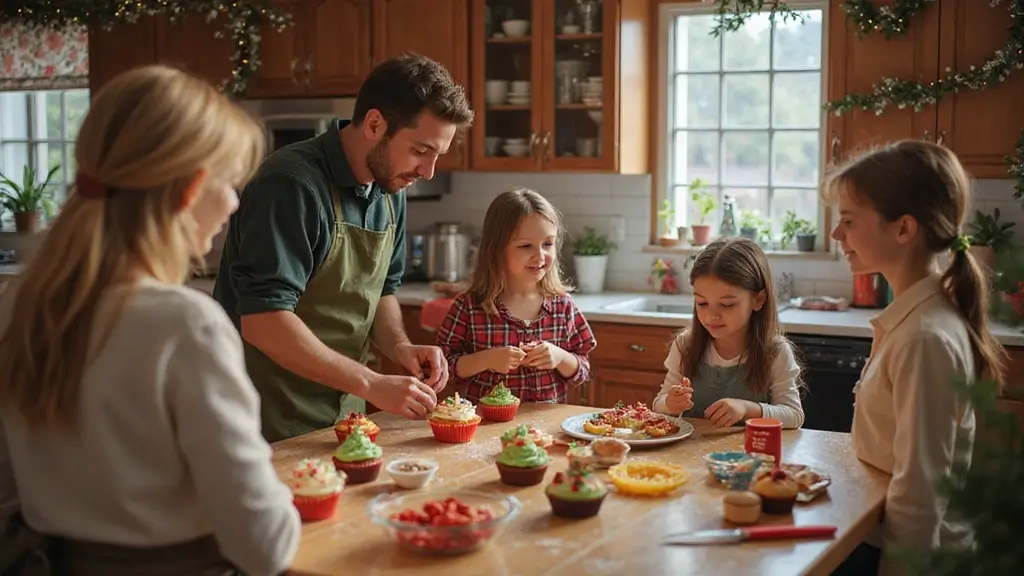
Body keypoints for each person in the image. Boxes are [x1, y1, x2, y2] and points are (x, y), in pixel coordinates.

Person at [0, 66, 300, 575]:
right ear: (190, 189)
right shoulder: (185, 325)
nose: (234, 202)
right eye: (230, 184)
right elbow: (263, 546)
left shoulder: (19, 301)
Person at [213, 52, 474, 443]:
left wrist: (400, 348)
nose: (428, 172)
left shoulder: (390, 190)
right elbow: (264, 321)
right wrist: (370, 382)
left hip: (342, 419)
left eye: (437, 155)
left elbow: (381, 290)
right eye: (421, 151)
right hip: (261, 419)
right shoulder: (291, 185)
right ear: (374, 123)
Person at [825, 140, 1004, 576]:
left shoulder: (924, 338)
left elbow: (920, 488)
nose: (836, 235)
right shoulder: (916, 320)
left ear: (904, 229)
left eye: (848, 221)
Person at [436, 188, 597, 404]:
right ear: (496, 249)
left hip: (545, 432)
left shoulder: (563, 305)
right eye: (525, 246)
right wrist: (487, 359)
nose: (540, 256)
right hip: (486, 428)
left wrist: (560, 357)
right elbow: (444, 368)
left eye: (548, 244)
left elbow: (583, 369)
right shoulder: (469, 306)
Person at [652, 238, 803, 429]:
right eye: (702, 303)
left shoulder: (775, 351)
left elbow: (794, 415)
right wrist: (670, 404)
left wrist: (748, 409)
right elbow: (658, 405)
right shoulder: (685, 345)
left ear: (758, 300)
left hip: (750, 455)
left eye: (727, 304)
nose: (711, 316)